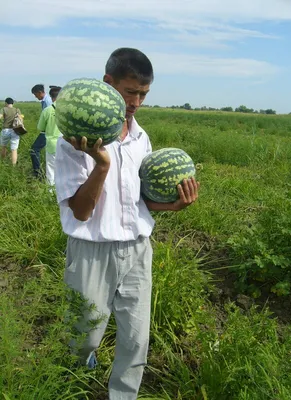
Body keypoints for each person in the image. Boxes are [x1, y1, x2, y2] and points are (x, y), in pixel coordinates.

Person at [55, 47, 199, 400]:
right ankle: (75, 379)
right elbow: (82, 212)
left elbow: (139, 202)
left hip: (137, 249)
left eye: (143, 94)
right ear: (109, 83)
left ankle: (123, 395)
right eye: (130, 92)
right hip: (91, 250)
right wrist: (101, 165)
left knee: (137, 338)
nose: (136, 102)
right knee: (84, 335)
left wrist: (172, 206)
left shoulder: (141, 139)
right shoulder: (72, 143)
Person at [37, 86, 62, 187]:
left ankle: (51, 193)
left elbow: (41, 127)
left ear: (51, 97)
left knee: (51, 169)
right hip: (67, 143)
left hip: (52, 144)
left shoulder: (47, 110)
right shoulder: (69, 110)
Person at [30, 84, 52, 179]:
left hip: (48, 131)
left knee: (34, 149)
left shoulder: (47, 102)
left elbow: (50, 117)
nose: (35, 97)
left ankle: (38, 174)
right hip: (47, 130)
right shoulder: (45, 101)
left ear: (40, 92)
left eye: (35, 94)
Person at [0, 98, 23, 165]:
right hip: (15, 130)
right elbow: (21, 119)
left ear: (6, 103)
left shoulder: (3, 109)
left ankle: (2, 162)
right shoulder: (17, 109)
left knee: (3, 147)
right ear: (12, 103)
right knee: (14, 149)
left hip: (5, 130)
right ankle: (13, 166)